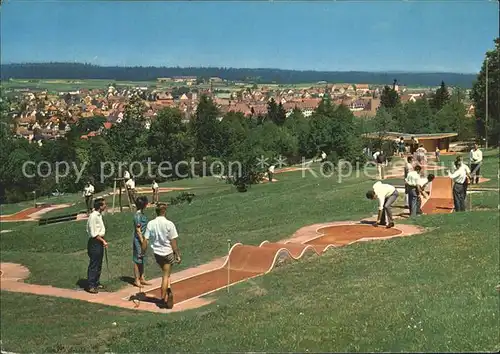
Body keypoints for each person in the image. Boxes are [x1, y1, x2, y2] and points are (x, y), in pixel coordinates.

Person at [143, 203, 181, 309]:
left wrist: (142, 253)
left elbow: (145, 240)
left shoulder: (151, 224)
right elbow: (173, 241)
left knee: (166, 274)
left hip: (157, 253)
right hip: (167, 253)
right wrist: (177, 254)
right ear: (164, 211)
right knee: (165, 275)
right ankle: (163, 298)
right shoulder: (169, 224)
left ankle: (168, 289)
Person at [86, 198, 108, 294]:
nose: (105, 206)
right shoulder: (93, 216)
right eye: (104, 204)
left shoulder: (99, 215)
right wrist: (103, 241)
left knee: (99, 263)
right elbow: (93, 233)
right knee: (94, 264)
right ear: (100, 206)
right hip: (95, 242)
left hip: (99, 241)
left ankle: (96, 282)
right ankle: (91, 285)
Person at [132, 196, 151, 288]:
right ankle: (136, 279)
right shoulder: (138, 216)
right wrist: (142, 241)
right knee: (137, 259)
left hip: (143, 239)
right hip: (138, 240)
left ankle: (142, 277)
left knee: (142, 258)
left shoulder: (142, 214)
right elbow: (138, 230)